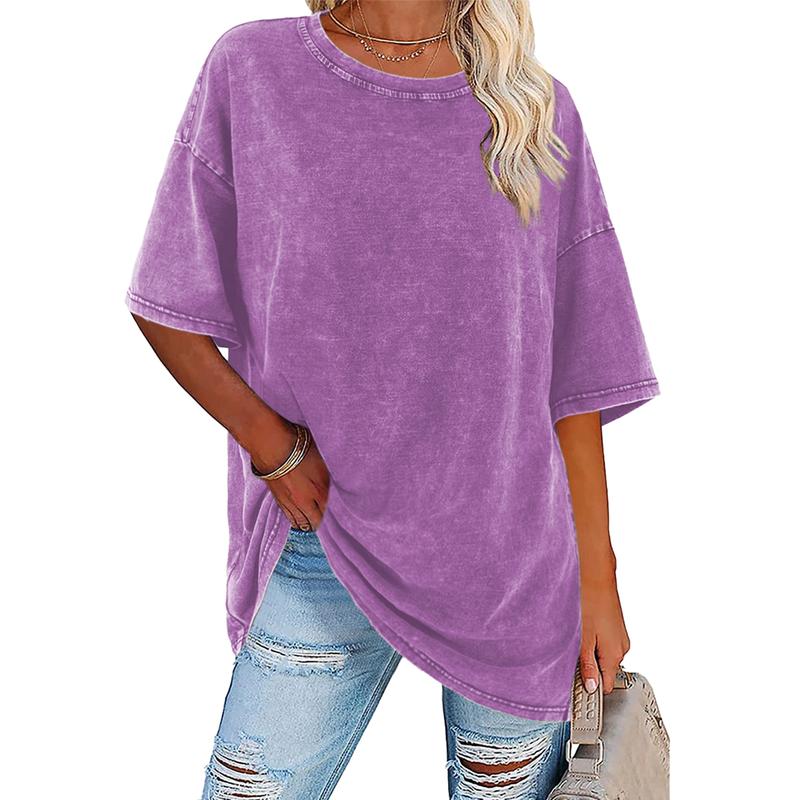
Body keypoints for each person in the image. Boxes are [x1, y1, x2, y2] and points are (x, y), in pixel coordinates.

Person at [124, 2, 661, 798]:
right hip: (324, 539)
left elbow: (575, 376)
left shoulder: (532, 107)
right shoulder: (254, 70)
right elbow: (166, 299)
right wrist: (272, 447)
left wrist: (598, 581)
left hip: (510, 568)